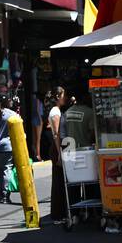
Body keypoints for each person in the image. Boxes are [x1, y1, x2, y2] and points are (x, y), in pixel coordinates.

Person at [48, 87, 70, 223]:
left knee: (61, 181)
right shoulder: (55, 112)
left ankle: (60, 212)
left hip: (58, 147)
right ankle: (58, 214)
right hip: (57, 148)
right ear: (58, 96)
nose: (65, 98)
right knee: (59, 182)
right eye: (63, 95)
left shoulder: (56, 111)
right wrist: (60, 153)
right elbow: (56, 134)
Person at [30, 91, 45, 162]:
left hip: (33, 119)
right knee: (38, 139)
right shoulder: (38, 101)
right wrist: (40, 120)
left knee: (34, 139)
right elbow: (38, 111)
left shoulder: (32, 101)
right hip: (38, 119)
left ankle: (35, 154)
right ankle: (38, 155)